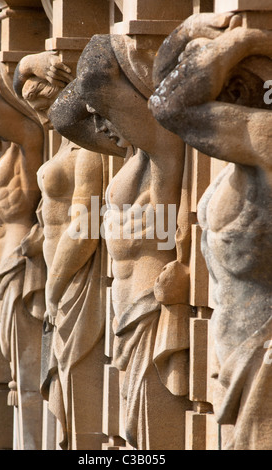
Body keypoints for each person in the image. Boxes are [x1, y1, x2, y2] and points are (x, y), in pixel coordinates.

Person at [50, 33, 193, 450]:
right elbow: (64, 116)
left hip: (150, 309)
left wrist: (122, 50)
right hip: (125, 315)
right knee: (134, 434)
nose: (96, 123)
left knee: (153, 435)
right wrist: (30, 68)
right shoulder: (131, 159)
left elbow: (96, 81)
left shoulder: (163, 155)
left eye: (104, 111)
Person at [150, 14, 272, 450]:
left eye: (225, 86)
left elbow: (169, 105)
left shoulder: (265, 136)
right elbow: (161, 95)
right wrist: (187, 33)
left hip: (260, 359)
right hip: (238, 357)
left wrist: (241, 40)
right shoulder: (244, 158)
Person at [14, 51, 116, 450]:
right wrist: (31, 64)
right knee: (62, 378)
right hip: (57, 277)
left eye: (44, 105)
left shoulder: (87, 151)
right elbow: (9, 85)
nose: (38, 116)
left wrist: (54, 288)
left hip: (76, 280)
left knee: (74, 378)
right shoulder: (61, 144)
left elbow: (84, 228)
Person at [0, 60, 46, 449]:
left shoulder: (29, 137)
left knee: (26, 366)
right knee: (14, 362)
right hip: (5, 264)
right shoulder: (5, 147)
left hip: (18, 260)